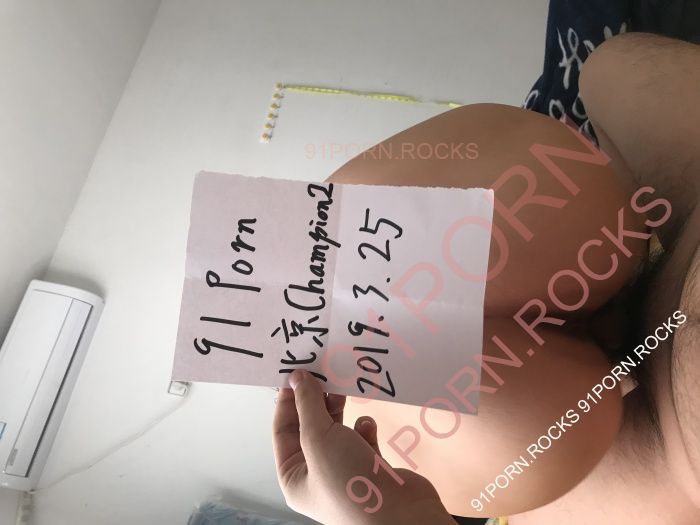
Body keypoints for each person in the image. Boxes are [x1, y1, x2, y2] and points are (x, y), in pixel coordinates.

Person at [272, 32, 699, 524]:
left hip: (656, 442)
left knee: (609, 74)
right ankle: (624, 269)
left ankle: (623, 275)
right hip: (654, 420)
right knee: (609, 72)